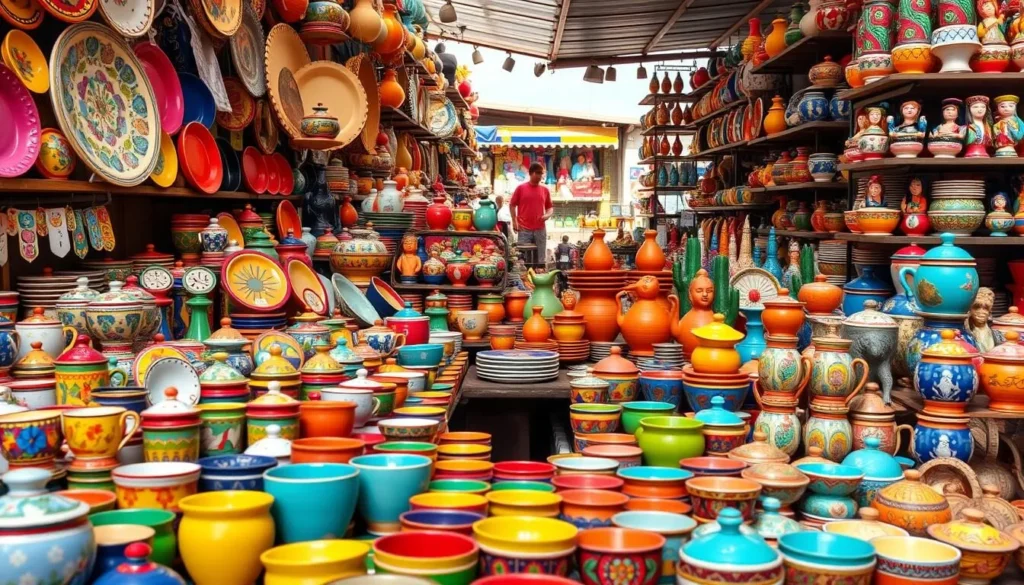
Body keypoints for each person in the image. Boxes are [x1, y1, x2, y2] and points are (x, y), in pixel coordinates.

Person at [509, 162, 554, 259]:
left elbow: (550, 207)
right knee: (523, 259)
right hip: (524, 229)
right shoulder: (521, 188)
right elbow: (512, 205)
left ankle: (540, 269)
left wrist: (547, 215)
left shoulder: (545, 190)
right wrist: (514, 221)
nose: (540, 176)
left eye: (541, 173)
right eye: (538, 173)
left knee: (540, 258)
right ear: (531, 173)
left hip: (540, 229)